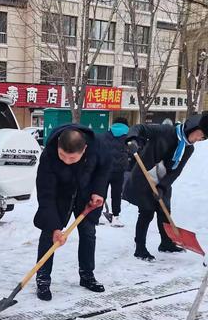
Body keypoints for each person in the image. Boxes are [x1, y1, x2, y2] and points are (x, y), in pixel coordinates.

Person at [34, 125, 111, 301]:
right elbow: (46, 194)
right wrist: (54, 227)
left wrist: (99, 191)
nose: (67, 161)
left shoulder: (98, 146)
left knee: (88, 233)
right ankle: (43, 279)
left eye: (72, 158)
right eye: (62, 156)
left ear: (84, 149)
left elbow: (105, 168)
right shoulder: (49, 156)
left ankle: (87, 275)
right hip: (60, 194)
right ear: (58, 146)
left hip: (86, 193)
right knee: (48, 234)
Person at [124, 114, 208, 261]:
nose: (198, 140)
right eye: (200, 136)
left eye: (202, 139)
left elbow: (176, 171)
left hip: (163, 180)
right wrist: (132, 139)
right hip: (144, 178)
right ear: (193, 128)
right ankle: (140, 248)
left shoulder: (188, 149)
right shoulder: (165, 131)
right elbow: (139, 128)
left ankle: (166, 243)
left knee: (165, 211)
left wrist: (162, 187)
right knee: (147, 212)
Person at [101, 117, 130, 227]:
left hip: (104, 169)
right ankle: (115, 217)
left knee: (101, 192)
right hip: (119, 170)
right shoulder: (128, 136)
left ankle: (98, 215)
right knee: (116, 194)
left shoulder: (105, 135)